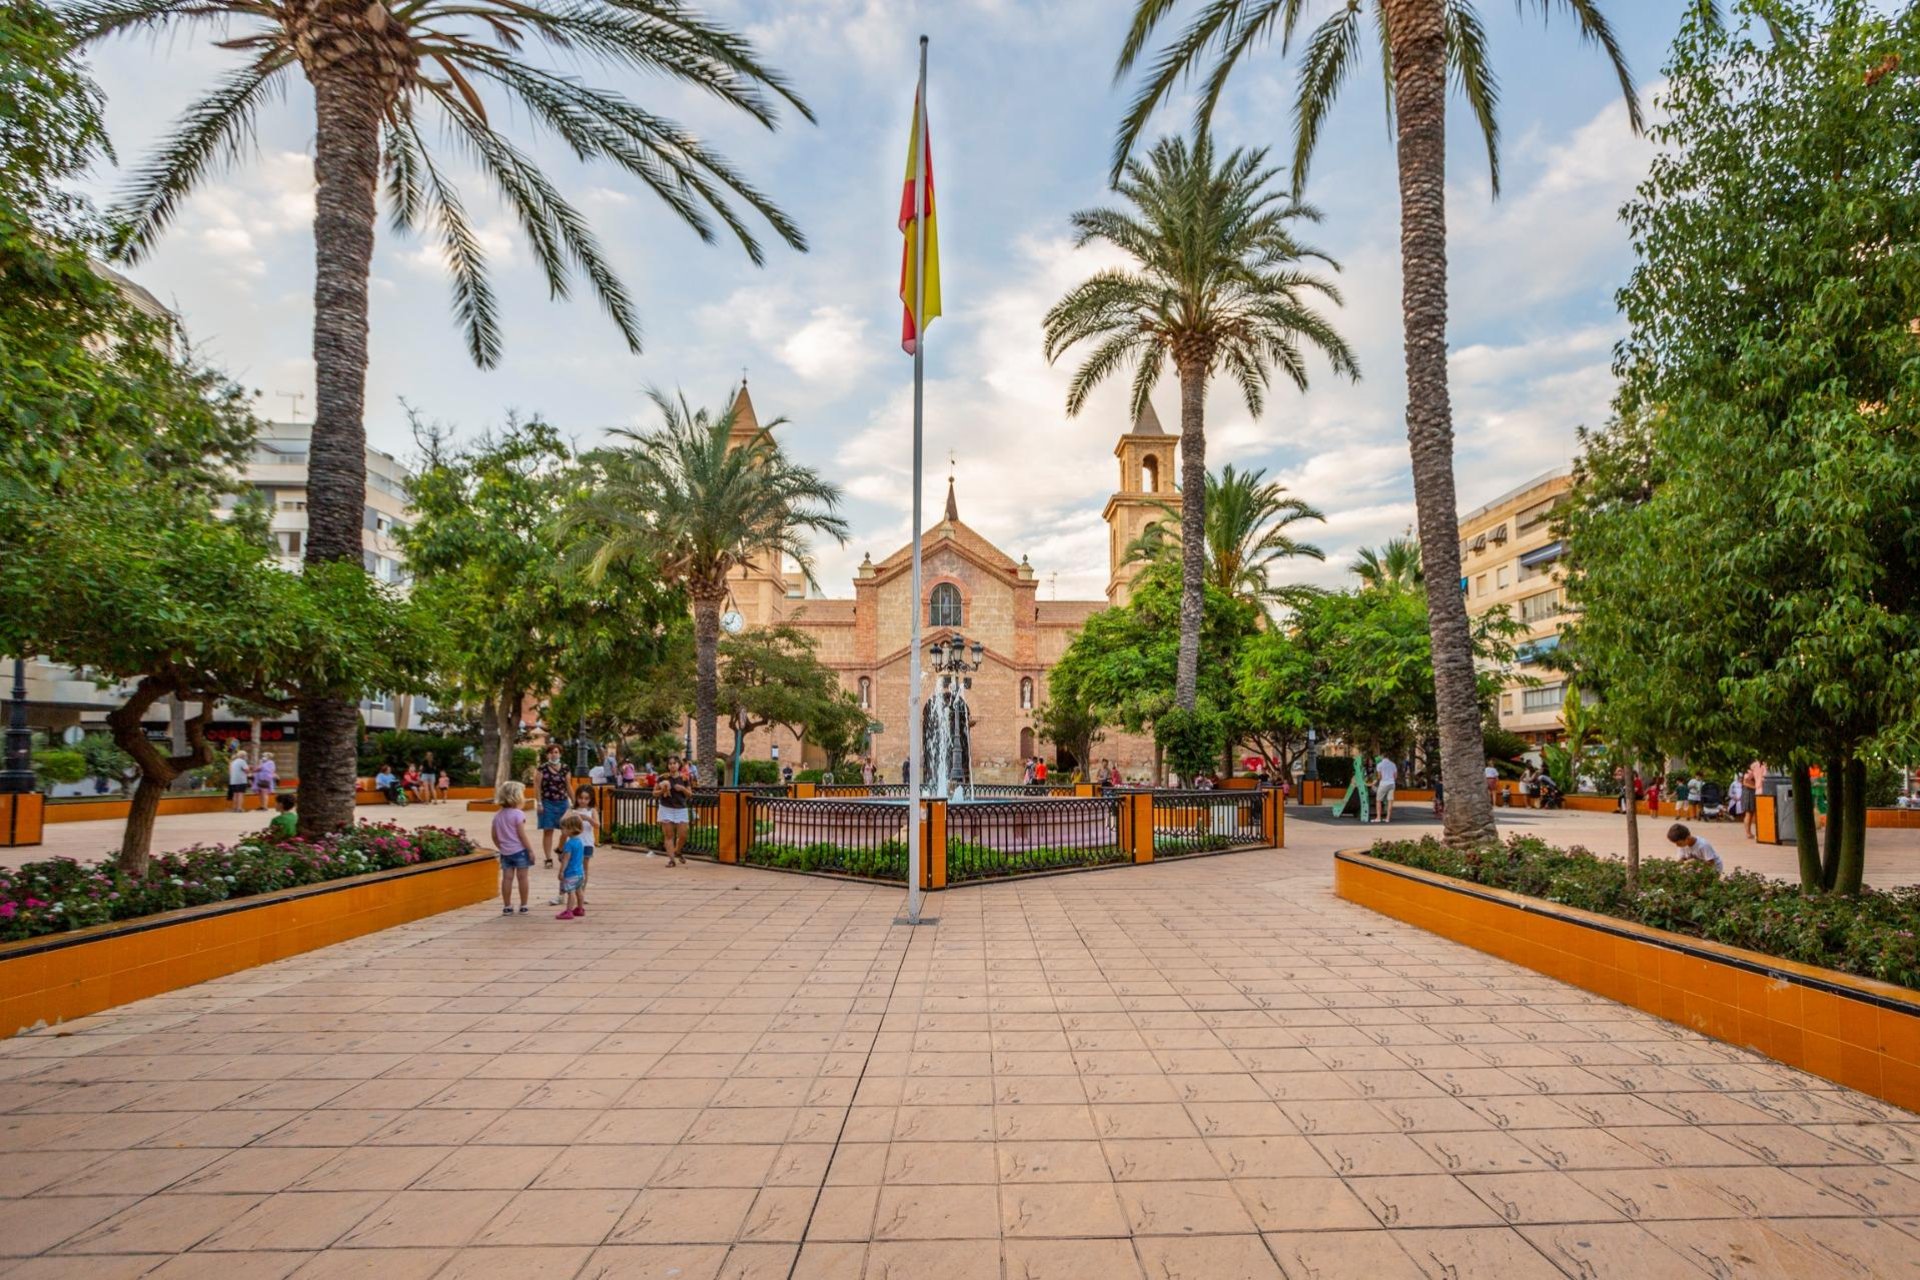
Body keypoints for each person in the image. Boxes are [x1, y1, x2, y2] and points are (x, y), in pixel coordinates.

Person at [554, 785, 599, 908]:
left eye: (586, 798)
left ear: (591, 799)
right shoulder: (571, 810)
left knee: (584, 869)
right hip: (572, 844)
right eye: (580, 798)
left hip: (587, 844)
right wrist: (573, 817)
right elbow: (562, 822)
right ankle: (561, 894)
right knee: (567, 868)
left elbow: (597, 825)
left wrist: (587, 818)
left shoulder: (592, 810)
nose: (583, 801)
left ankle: (581, 894)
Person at [492, 780, 533, 914]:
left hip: (505, 852)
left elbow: (494, 835)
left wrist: (501, 846)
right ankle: (524, 905)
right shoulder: (518, 814)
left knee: (507, 878)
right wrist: (530, 850)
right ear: (517, 797)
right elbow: (522, 835)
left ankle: (507, 906)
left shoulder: (498, 816)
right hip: (520, 851)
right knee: (523, 878)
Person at [536, 744, 571, 867]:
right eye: (551, 752)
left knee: (566, 830)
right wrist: (539, 803)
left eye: (556, 752)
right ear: (547, 755)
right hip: (547, 803)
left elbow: (568, 786)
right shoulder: (542, 769)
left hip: (562, 802)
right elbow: (537, 787)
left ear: (560, 754)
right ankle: (548, 858)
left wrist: (574, 802)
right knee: (548, 831)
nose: (553, 754)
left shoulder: (565, 768)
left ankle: (560, 848)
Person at [657, 755, 693, 867]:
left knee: (683, 835)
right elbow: (654, 793)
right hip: (666, 808)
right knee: (669, 835)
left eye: (674, 763)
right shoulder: (662, 778)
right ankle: (672, 860)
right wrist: (662, 790)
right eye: (670, 763)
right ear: (668, 766)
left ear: (679, 765)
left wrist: (682, 789)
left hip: (681, 809)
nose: (672, 765)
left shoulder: (684, 778)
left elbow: (690, 794)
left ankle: (677, 851)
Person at [554, 813, 589, 920]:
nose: (562, 831)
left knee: (571, 892)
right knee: (579, 891)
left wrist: (561, 871)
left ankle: (569, 911)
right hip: (580, 872)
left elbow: (566, 859)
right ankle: (580, 908)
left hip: (571, 873)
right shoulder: (579, 842)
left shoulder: (569, 844)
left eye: (563, 829)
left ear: (570, 829)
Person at [1744, 760, 1768, 840]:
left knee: (1758, 814)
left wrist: (1756, 786)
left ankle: (1759, 834)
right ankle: (1764, 833)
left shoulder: (1754, 765)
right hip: (1768, 791)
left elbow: (1746, 778)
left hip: (1758, 792)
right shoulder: (1769, 764)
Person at [1375, 755, 1398, 823]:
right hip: (1392, 784)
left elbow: (1379, 777)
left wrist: (1375, 781)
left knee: (1378, 800)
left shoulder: (1379, 765)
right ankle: (1387, 818)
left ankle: (1378, 817)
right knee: (1390, 801)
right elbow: (1395, 776)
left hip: (1383, 784)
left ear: (1382, 757)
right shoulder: (1393, 764)